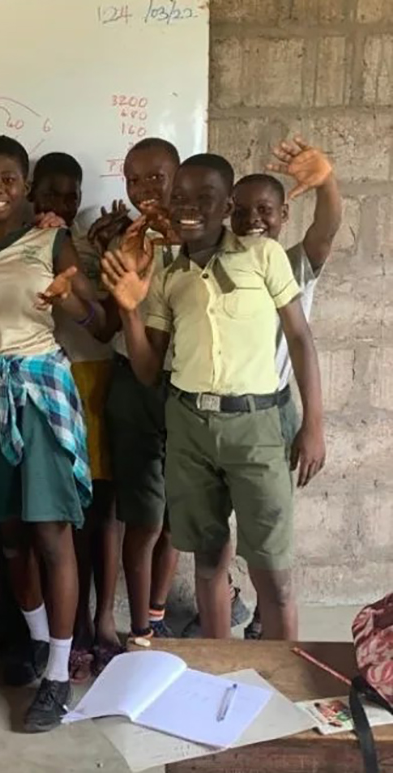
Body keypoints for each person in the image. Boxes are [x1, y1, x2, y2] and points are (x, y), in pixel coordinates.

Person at [101, 153, 327, 641]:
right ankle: (219, 668)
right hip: (189, 428)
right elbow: (147, 370)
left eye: (205, 199)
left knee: (272, 568)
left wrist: (313, 426)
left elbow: (300, 339)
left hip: (258, 427)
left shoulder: (262, 256)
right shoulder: (166, 274)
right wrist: (130, 311)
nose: (189, 209)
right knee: (208, 558)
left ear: (227, 206)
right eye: (180, 197)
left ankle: (281, 674)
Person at [0, 135, 106, 732]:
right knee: (9, 537)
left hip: (41, 396)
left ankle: (60, 675)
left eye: (9, 179)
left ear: (26, 184)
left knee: (52, 535)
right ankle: (41, 642)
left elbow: (101, 319)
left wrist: (72, 302)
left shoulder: (53, 239)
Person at [230, 136, 341, 639]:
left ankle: (265, 611)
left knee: (268, 531)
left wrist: (328, 183)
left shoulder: (295, 263)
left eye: (266, 209)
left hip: (272, 413)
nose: (255, 219)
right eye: (243, 210)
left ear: (283, 216)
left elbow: (327, 229)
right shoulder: (219, 264)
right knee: (220, 528)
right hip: (219, 416)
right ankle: (236, 599)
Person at [30, 152, 121, 679]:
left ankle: (103, 619)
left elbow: (109, 316)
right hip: (54, 385)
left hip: (100, 379)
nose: (60, 205)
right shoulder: (27, 238)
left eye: (70, 195)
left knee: (105, 508)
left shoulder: (95, 239)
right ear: (31, 195)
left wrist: (104, 249)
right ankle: (74, 622)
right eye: (49, 194)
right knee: (67, 515)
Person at [92, 138, 184, 644]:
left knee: (177, 516)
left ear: (178, 176)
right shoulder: (123, 242)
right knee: (143, 517)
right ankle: (141, 629)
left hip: (188, 384)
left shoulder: (199, 240)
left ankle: (157, 609)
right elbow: (106, 325)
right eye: (134, 180)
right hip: (133, 384)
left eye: (156, 177)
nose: (146, 189)